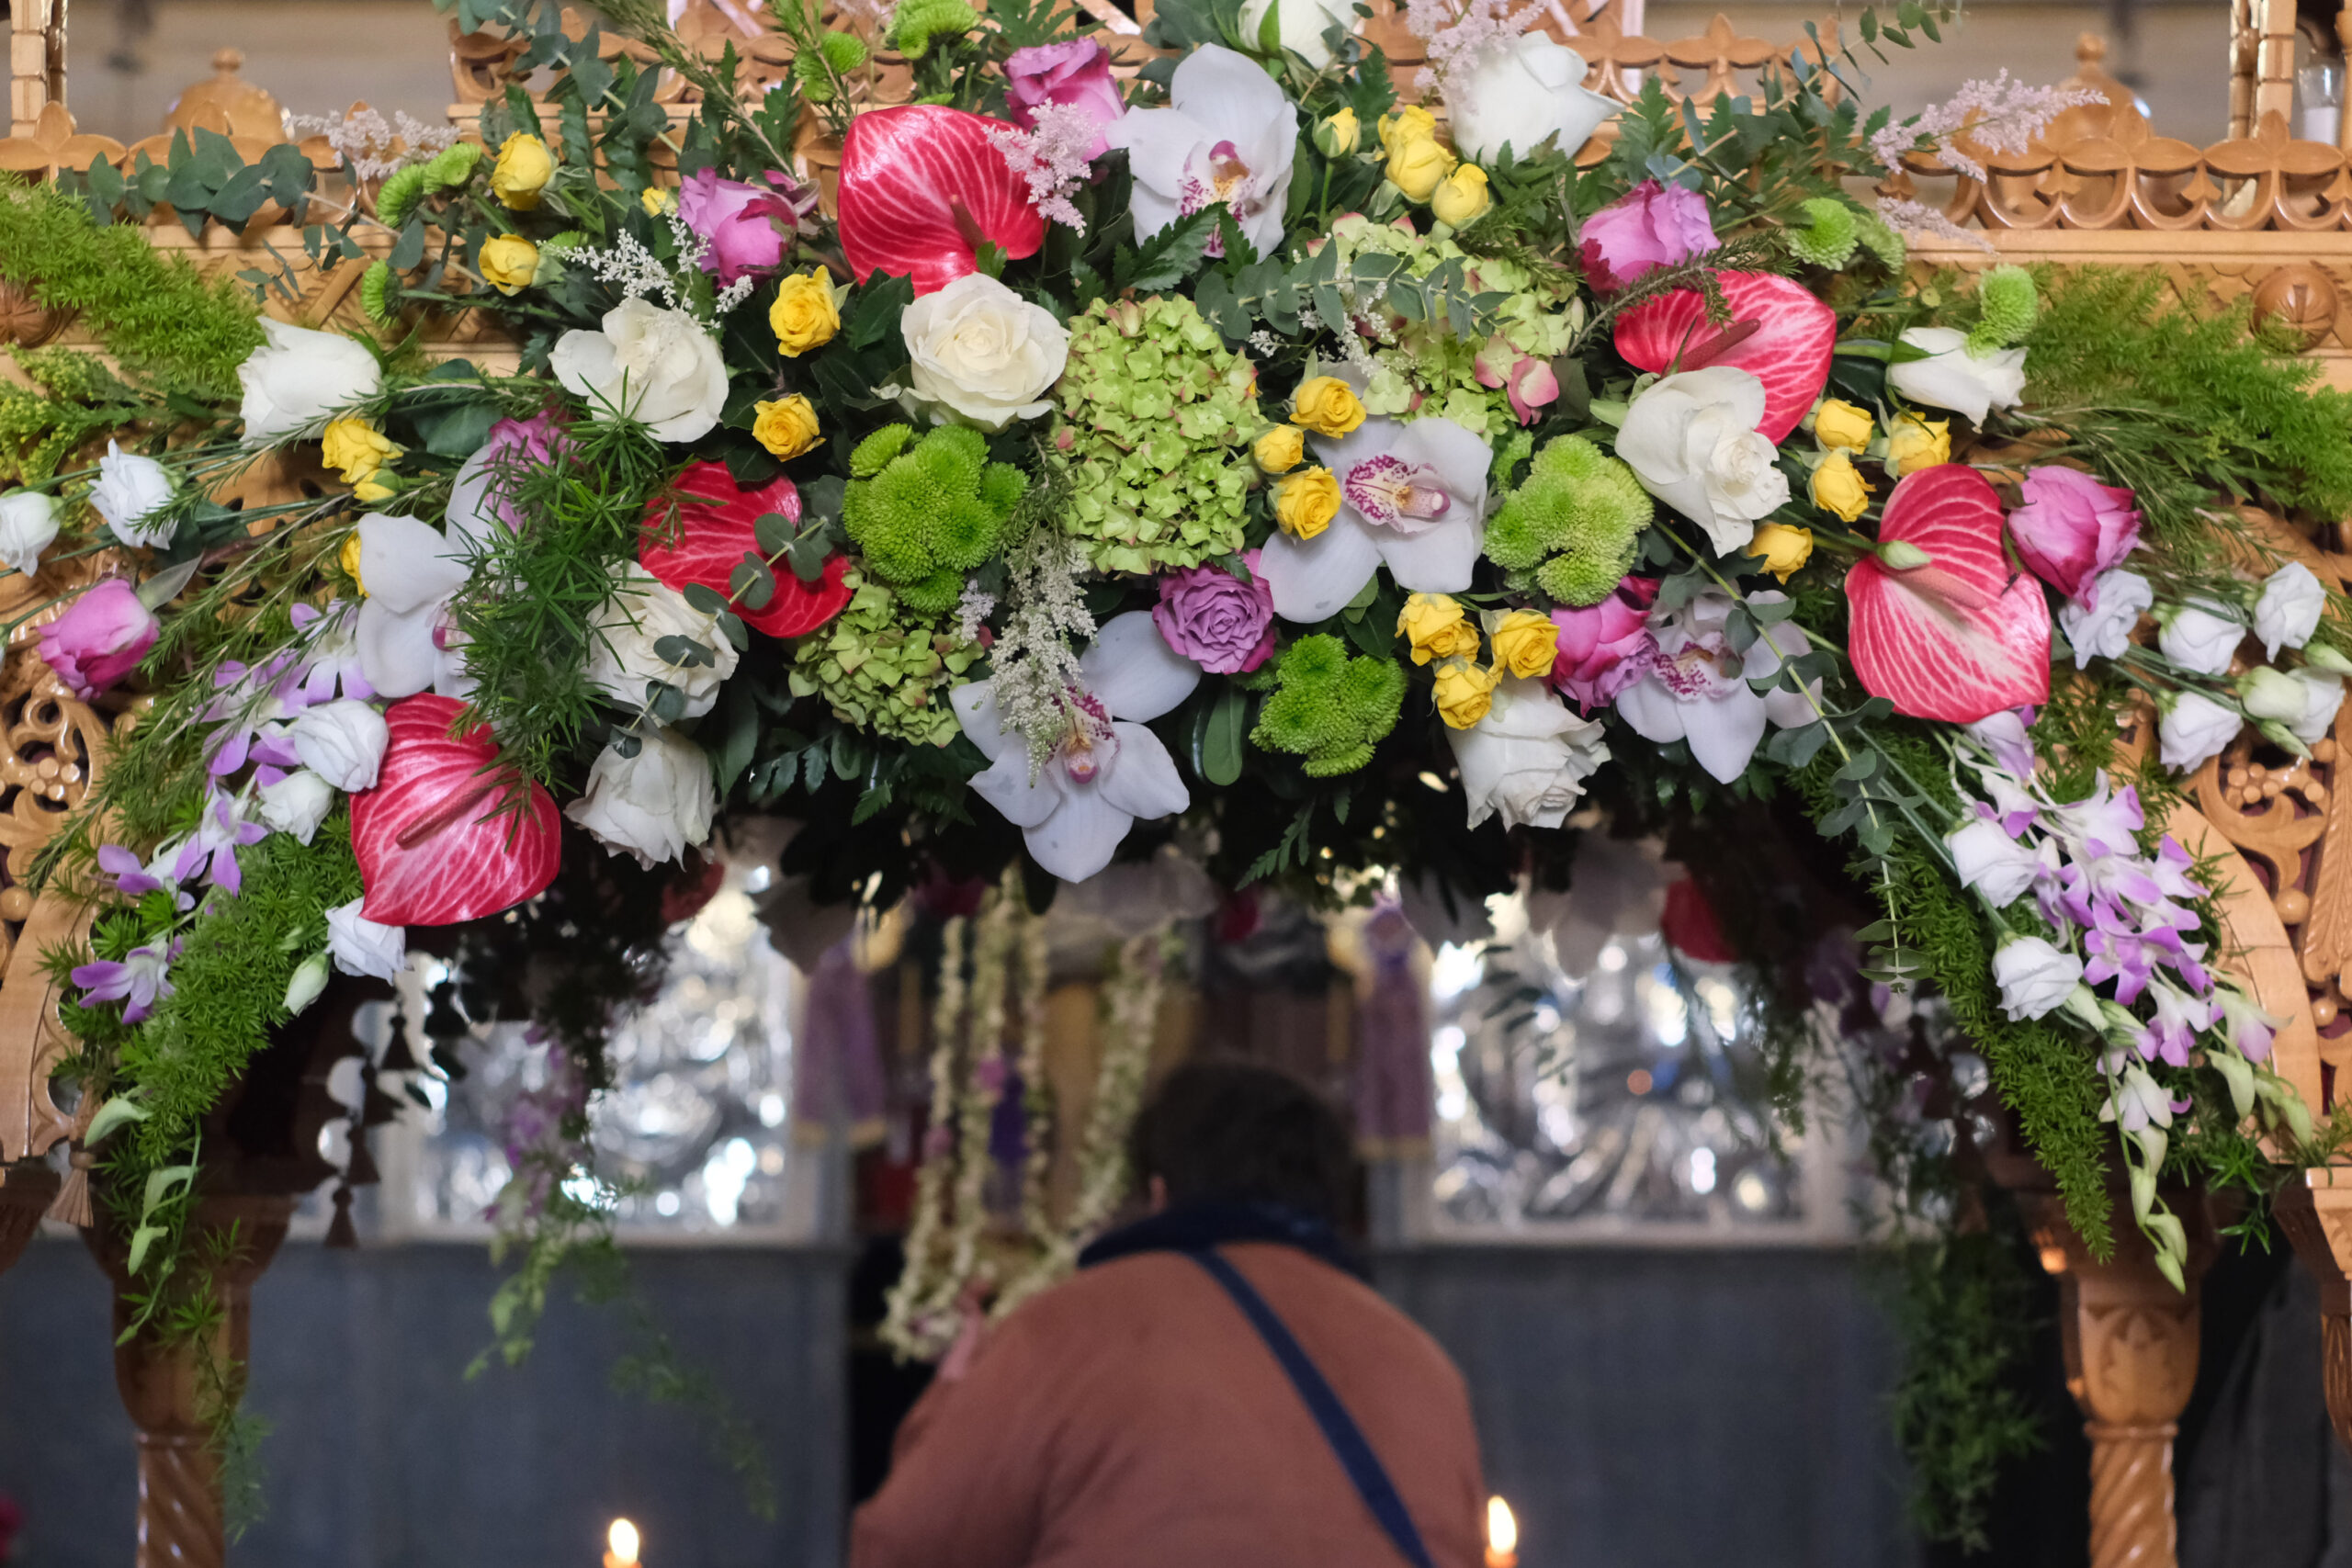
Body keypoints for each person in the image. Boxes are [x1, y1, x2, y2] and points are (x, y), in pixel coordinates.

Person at [851, 1059, 1489, 1568]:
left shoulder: (1070, 1327)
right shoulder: (1420, 1359)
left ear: (1158, 1192)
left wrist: (953, 1391)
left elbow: (904, 1548)